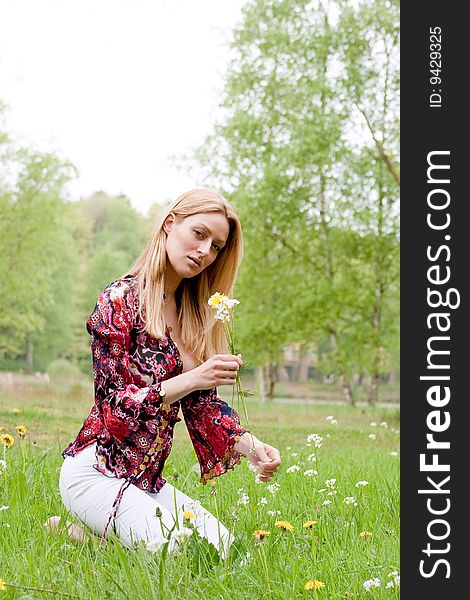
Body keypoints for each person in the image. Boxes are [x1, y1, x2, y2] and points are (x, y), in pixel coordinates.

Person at [49, 188, 281, 559]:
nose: (205, 251)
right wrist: (193, 377)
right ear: (170, 224)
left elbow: (203, 408)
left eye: (217, 246)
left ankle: (96, 539)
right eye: (199, 234)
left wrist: (253, 448)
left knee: (226, 553)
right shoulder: (119, 301)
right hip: (96, 471)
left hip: (147, 482)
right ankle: (80, 531)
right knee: (183, 554)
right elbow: (114, 410)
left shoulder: (193, 315)